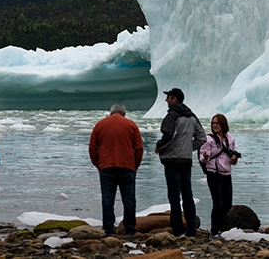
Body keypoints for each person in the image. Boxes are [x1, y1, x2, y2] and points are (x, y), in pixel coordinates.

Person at [155, 88, 206, 237]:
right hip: (186, 161)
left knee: (174, 197)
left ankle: (177, 230)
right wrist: (188, 148)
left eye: (169, 98)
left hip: (172, 161)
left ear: (175, 99)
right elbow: (202, 138)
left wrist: (159, 146)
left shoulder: (173, 116)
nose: (166, 100)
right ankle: (191, 230)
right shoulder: (192, 116)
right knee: (187, 196)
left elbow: (168, 136)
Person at [88, 103, 144, 236]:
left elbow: (92, 148)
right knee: (129, 199)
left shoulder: (100, 125)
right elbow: (139, 148)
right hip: (127, 166)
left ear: (111, 112)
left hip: (106, 166)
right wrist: (135, 165)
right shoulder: (131, 125)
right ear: (124, 114)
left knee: (108, 199)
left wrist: (97, 164)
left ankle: (108, 229)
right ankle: (130, 229)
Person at [198, 113, 238, 237]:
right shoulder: (209, 139)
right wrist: (205, 157)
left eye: (217, 123)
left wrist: (234, 159)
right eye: (213, 123)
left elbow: (232, 160)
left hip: (227, 174)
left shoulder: (230, 139)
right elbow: (202, 157)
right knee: (218, 203)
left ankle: (217, 227)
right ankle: (214, 232)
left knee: (227, 204)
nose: (215, 125)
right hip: (214, 173)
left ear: (223, 124)